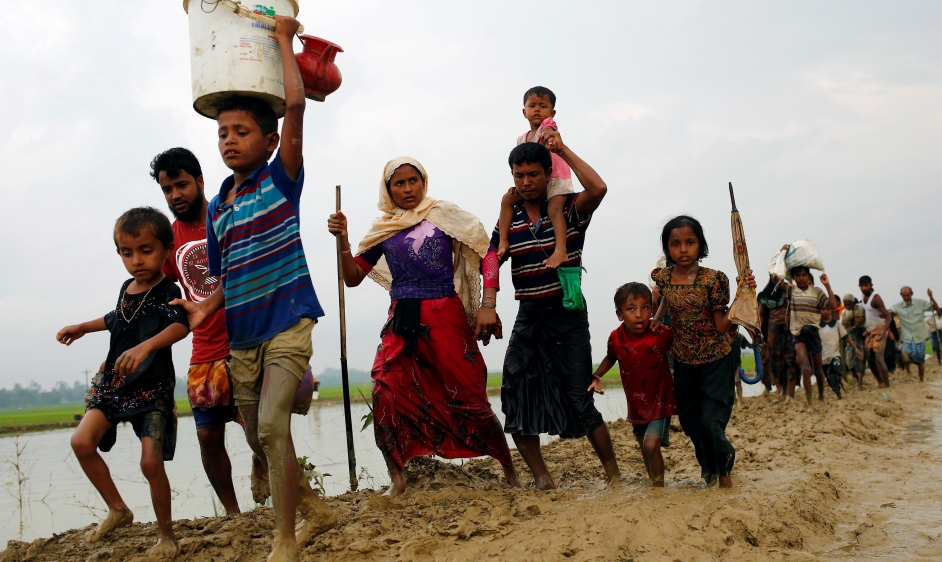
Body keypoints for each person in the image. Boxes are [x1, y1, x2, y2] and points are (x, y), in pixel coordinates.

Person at [170, 15, 337, 559]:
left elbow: (294, 107)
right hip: (241, 337)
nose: (229, 141)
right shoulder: (218, 207)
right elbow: (227, 274)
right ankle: (313, 506)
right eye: (222, 133)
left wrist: (285, 42)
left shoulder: (281, 179)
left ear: (268, 142)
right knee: (256, 432)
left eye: (241, 132)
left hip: (288, 321)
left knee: (270, 425)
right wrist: (200, 310)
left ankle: (285, 540)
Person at [326, 157, 521, 497]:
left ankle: (508, 468)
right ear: (388, 190)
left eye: (412, 180)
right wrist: (343, 239)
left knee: (470, 395)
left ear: (423, 181)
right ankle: (397, 477)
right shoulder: (383, 229)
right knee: (385, 391)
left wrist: (488, 304)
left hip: (445, 314)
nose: (407, 189)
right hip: (402, 318)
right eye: (398, 184)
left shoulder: (444, 214)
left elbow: (487, 252)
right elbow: (352, 277)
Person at [57, 208, 190, 558]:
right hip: (115, 386)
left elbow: (180, 325)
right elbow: (120, 317)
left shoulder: (167, 289)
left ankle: (166, 536)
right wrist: (84, 328)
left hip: (152, 389)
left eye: (146, 251)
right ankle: (118, 509)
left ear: (166, 249)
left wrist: (146, 346)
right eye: (127, 253)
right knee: (81, 442)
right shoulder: (125, 288)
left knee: (150, 463)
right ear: (119, 253)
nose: (137, 261)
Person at [494, 138, 620, 490]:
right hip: (529, 314)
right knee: (515, 394)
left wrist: (562, 150)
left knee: (579, 396)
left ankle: (614, 476)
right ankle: (543, 479)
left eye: (533, 174)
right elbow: (492, 257)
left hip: (568, 314)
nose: (525, 182)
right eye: (518, 176)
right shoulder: (510, 216)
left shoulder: (567, 209)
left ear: (548, 174)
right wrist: (488, 305)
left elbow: (599, 188)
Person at [150, 147, 245, 515]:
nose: (175, 195)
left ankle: (265, 471)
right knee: (207, 434)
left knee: (259, 431)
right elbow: (165, 302)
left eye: (182, 185)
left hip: (247, 339)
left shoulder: (228, 216)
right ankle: (234, 513)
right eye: (168, 189)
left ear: (200, 182)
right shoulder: (169, 242)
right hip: (205, 350)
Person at [652, 215, 756, 488]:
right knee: (689, 421)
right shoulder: (662, 277)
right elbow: (665, 299)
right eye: (675, 244)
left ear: (700, 244)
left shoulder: (713, 280)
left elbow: (722, 326)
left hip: (715, 360)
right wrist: (657, 319)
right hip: (684, 361)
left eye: (690, 242)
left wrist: (741, 297)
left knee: (710, 420)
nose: (683, 249)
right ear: (667, 248)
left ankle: (724, 470)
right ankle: (709, 467)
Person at [589, 283, 676, 487]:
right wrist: (596, 376)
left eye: (645, 308)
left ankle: (658, 488)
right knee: (643, 446)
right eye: (631, 309)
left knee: (651, 444)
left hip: (659, 401)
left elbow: (682, 342)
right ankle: (653, 480)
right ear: (620, 314)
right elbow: (611, 358)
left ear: (652, 311)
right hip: (636, 404)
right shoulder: (616, 338)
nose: (639, 315)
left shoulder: (659, 333)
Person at [496, 86, 572, 268]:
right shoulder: (522, 139)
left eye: (543, 106)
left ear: (552, 113)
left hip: (555, 179)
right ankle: (503, 241)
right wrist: (519, 184)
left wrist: (551, 140)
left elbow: (549, 133)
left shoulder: (547, 128)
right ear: (524, 112)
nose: (537, 109)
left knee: (554, 209)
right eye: (532, 105)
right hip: (536, 185)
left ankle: (561, 249)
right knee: (507, 199)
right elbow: (523, 165)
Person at [787, 264, 835, 407]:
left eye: (803, 275)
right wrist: (783, 253)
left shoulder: (816, 292)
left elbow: (832, 305)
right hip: (799, 334)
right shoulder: (791, 291)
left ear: (808, 276)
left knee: (818, 370)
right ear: (794, 278)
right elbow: (778, 277)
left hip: (813, 334)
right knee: (806, 368)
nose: (801, 278)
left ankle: (821, 396)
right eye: (797, 276)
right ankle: (810, 402)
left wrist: (827, 286)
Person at [890, 287, 941, 382]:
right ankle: (908, 372)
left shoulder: (920, 303)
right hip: (906, 337)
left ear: (911, 294)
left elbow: (936, 308)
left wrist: (931, 296)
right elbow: (888, 315)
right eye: (904, 295)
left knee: (920, 359)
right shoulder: (897, 307)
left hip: (919, 336)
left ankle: (921, 379)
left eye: (908, 295)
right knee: (904, 354)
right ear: (901, 295)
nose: (906, 297)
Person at [759, 275, 794, 398]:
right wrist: (759, 334)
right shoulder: (765, 294)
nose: (775, 276)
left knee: (790, 359)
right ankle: (780, 386)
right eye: (772, 273)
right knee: (775, 360)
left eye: (778, 273)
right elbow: (761, 315)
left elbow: (798, 301)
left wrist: (784, 287)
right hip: (773, 330)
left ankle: (790, 392)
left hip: (791, 330)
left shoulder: (790, 290)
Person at [859, 275, 893, 388]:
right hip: (870, 331)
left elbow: (888, 317)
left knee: (879, 357)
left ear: (871, 285)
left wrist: (883, 333)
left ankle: (887, 385)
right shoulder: (863, 297)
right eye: (862, 286)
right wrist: (866, 330)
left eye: (866, 285)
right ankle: (880, 382)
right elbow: (868, 314)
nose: (864, 288)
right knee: (870, 358)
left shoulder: (876, 298)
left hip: (880, 329)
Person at [819, 303, 858, 400]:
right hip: (823, 356)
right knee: (830, 378)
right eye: (823, 309)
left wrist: (855, 348)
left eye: (827, 309)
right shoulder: (817, 325)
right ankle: (838, 393)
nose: (825, 311)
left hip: (835, 353)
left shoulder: (836, 323)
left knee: (837, 366)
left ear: (831, 310)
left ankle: (842, 380)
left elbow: (846, 336)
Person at [840, 294, 868, 388]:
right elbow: (844, 325)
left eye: (849, 304)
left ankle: (859, 383)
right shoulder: (844, 312)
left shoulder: (860, 309)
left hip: (860, 335)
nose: (847, 306)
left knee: (861, 359)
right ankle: (857, 379)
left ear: (853, 302)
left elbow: (863, 321)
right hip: (850, 336)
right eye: (845, 304)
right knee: (849, 361)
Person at [726, 325, 750, 405]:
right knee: (729, 384)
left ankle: (740, 399)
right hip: (726, 366)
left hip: (737, 364)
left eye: (734, 331)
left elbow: (748, 345)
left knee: (737, 381)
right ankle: (734, 400)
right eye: (730, 331)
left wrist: (756, 345)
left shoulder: (739, 337)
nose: (732, 333)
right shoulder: (723, 338)